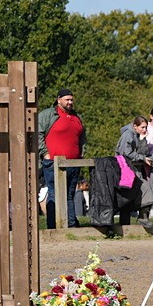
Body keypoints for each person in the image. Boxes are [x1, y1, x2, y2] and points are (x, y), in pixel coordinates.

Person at [37, 88, 86, 228]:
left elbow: (82, 136)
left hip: (74, 162)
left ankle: (71, 225)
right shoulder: (48, 115)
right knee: (54, 194)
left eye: (71, 99)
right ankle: (52, 226)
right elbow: (38, 134)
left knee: (70, 194)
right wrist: (45, 154)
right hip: (53, 162)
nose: (70, 102)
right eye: (67, 99)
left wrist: (81, 153)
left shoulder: (77, 117)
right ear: (59, 100)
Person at [115, 115, 153, 230]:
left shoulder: (138, 135)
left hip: (132, 169)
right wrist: (142, 158)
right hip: (124, 169)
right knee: (143, 189)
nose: (145, 130)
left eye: (146, 127)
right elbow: (125, 152)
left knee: (136, 192)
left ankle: (141, 218)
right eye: (142, 127)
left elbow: (143, 151)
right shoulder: (128, 134)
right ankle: (138, 219)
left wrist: (143, 140)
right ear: (135, 126)